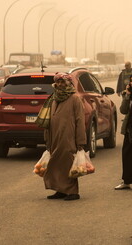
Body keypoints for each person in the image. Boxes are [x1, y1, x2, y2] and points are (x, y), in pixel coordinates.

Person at [43, 73, 87, 201]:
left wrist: (80, 141)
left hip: (69, 138)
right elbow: (48, 120)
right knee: (56, 163)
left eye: (63, 82)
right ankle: (60, 190)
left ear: (68, 83)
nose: (61, 84)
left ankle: (73, 192)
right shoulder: (54, 98)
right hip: (54, 137)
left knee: (69, 164)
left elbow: (80, 120)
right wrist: (47, 137)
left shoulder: (74, 98)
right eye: (59, 82)